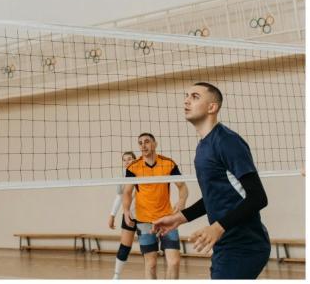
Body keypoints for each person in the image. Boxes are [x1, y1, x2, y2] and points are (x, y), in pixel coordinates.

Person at [152, 82, 270, 279]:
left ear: (212, 107)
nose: (186, 100)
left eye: (195, 96)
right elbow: (215, 197)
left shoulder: (227, 141)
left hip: (245, 245)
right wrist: (180, 217)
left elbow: (258, 197)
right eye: (186, 95)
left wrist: (217, 227)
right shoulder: (202, 147)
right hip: (225, 243)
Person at [122, 133, 187, 279]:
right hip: (145, 221)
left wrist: (182, 201)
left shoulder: (168, 163)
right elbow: (127, 192)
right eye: (140, 143)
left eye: (147, 142)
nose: (143, 145)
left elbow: (183, 187)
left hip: (167, 219)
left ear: (155, 144)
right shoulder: (134, 167)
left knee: (174, 262)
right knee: (150, 264)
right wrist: (126, 211)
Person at [109, 151, 137, 279]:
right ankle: (116, 276)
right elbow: (119, 197)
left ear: (135, 160)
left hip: (146, 216)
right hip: (129, 215)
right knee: (125, 246)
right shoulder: (121, 178)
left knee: (149, 249)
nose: (127, 162)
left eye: (130, 159)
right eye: (124, 160)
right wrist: (112, 215)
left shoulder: (143, 174)